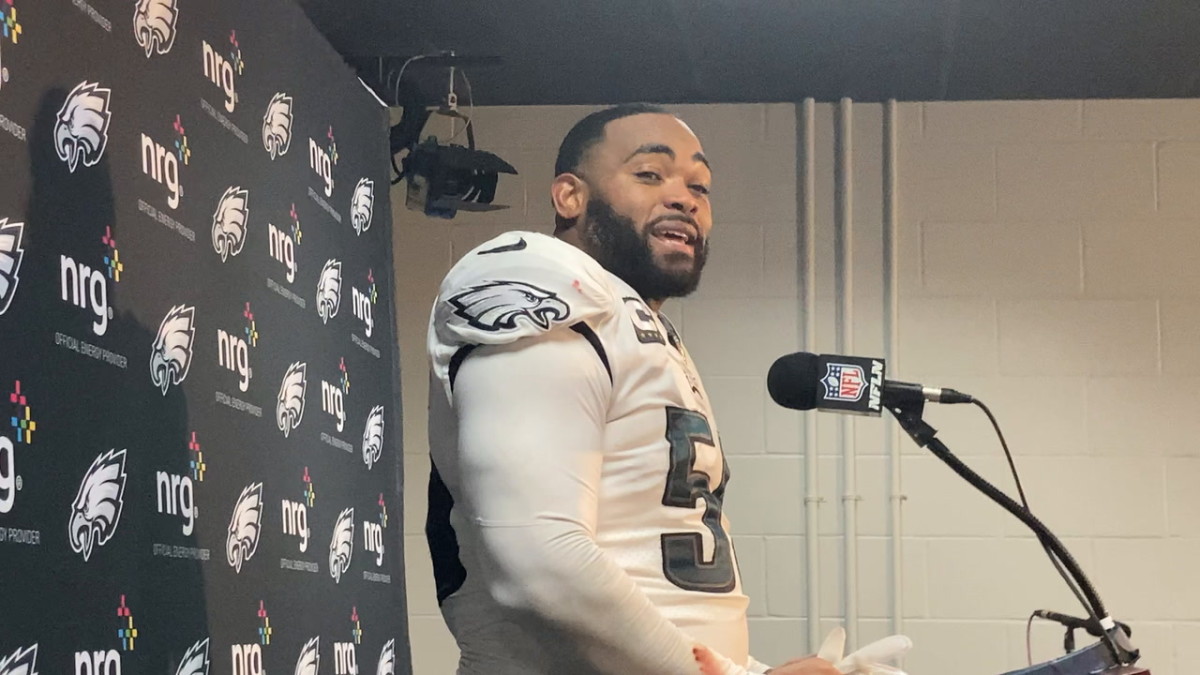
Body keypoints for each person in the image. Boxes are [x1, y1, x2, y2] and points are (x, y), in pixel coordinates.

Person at [424, 103, 839, 675]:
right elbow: (540, 560)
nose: (684, 197)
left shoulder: (638, 323)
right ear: (570, 196)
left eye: (701, 186)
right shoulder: (534, 275)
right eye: (650, 174)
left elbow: (653, 567)